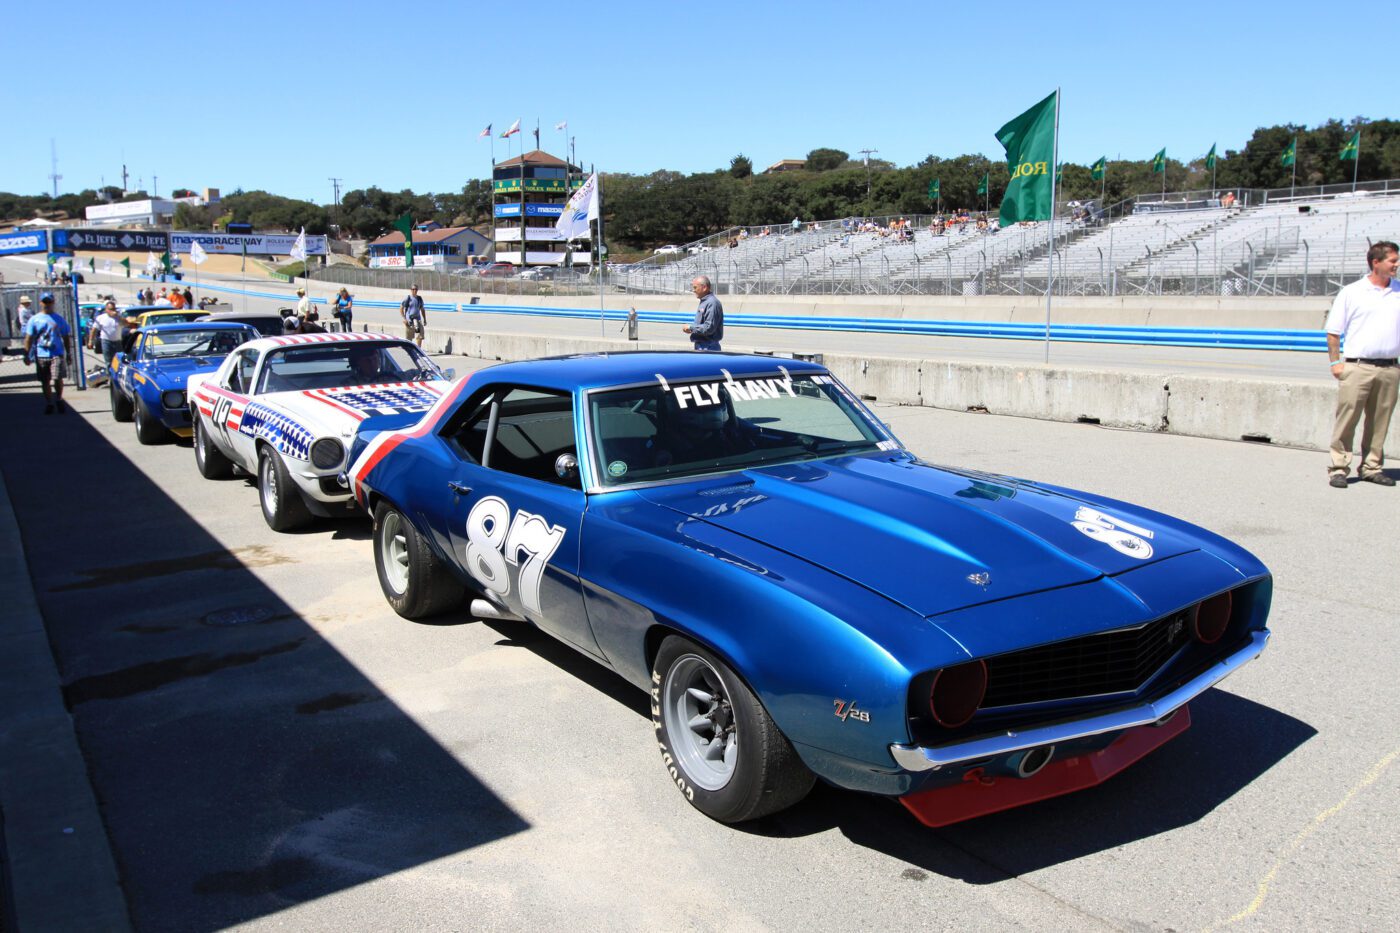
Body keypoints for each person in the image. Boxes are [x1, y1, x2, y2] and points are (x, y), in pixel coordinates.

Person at [1324, 241, 1400, 488]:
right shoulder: (1352, 292)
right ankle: (1338, 467)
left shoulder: (1399, 291)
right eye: (1393, 261)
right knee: (1347, 418)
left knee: (1380, 421)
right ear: (1375, 262)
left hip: (1390, 368)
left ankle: (1372, 466)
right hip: (1358, 366)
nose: (1397, 265)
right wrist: (1335, 362)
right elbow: (1334, 332)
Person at [23, 293, 72, 415]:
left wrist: (69, 353)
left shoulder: (59, 319)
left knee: (57, 378)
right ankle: (49, 403)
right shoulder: (34, 319)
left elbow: (66, 337)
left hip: (57, 353)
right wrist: (26, 355)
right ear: (40, 303)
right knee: (45, 381)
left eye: (49, 302)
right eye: (45, 302)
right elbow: (29, 338)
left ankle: (59, 398)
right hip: (41, 354)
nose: (47, 305)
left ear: (53, 303)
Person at [683, 276, 723, 351]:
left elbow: (709, 327)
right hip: (703, 345)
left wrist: (691, 328)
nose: (693, 290)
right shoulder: (705, 302)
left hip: (708, 346)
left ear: (704, 288)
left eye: (695, 287)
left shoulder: (712, 303)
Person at [90, 299, 125, 368]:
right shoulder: (101, 318)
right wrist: (90, 341)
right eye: (111, 309)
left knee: (119, 361)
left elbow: (126, 324)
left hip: (117, 342)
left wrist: (118, 317)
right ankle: (110, 376)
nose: (113, 311)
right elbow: (94, 329)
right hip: (106, 341)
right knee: (109, 361)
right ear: (106, 310)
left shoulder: (118, 317)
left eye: (114, 309)